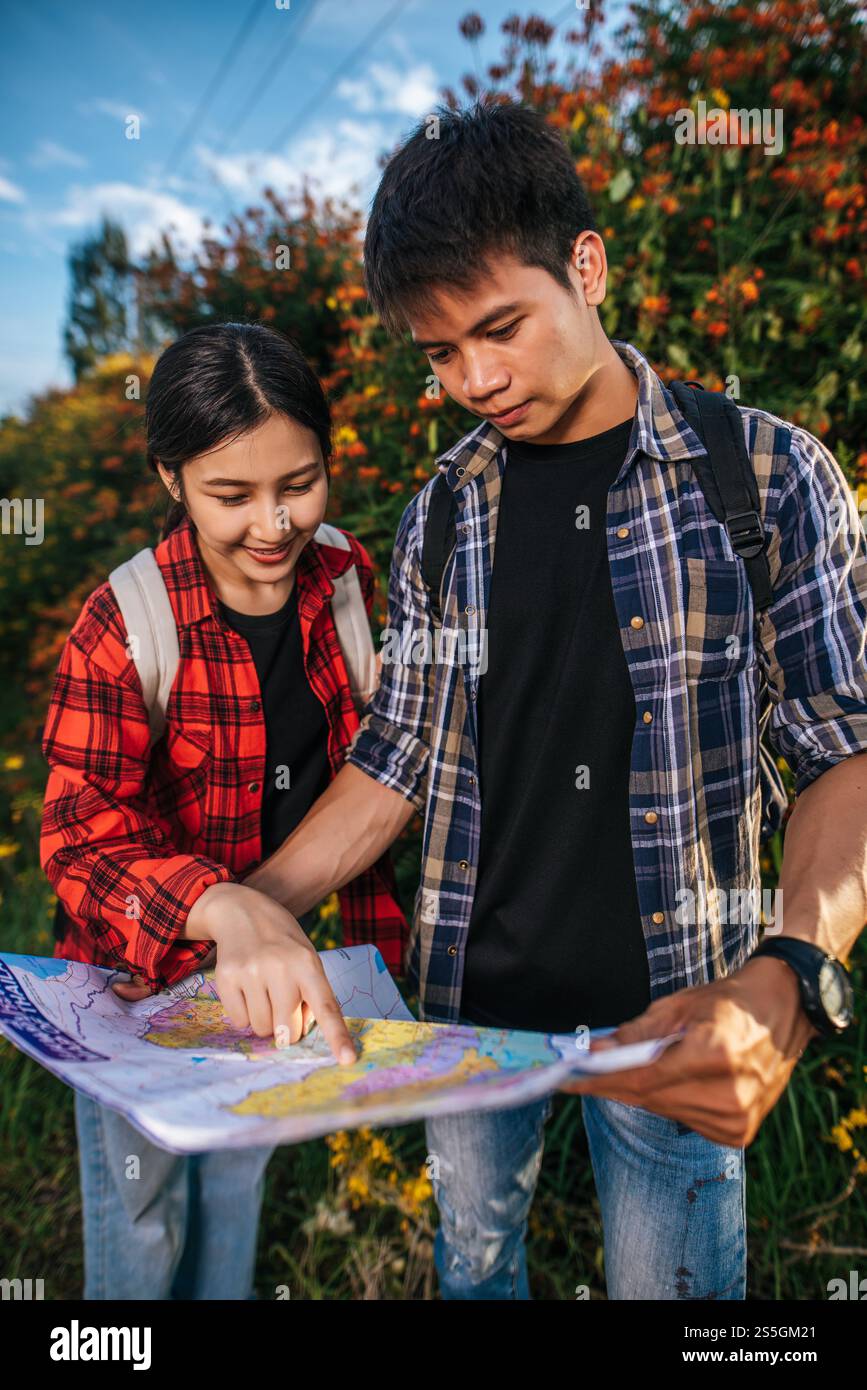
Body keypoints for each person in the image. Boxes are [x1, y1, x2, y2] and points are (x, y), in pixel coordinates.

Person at [243, 99, 867, 1300]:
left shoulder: (769, 476)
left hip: (679, 1004)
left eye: (498, 329)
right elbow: (396, 759)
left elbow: (845, 745)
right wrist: (255, 904)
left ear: (586, 265)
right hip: (470, 1014)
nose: (475, 380)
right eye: (437, 355)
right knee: (474, 1268)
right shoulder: (440, 514)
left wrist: (793, 965)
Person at [39, 321, 408, 1299]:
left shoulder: (344, 580)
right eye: (231, 495)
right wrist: (221, 905)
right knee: (145, 1213)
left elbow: (378, 756)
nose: (274, 524)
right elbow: (78, 833)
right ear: (171, 478)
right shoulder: (126, 622)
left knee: (239, 1170)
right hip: (134, 983)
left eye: (298, 483)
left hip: (270, 974)